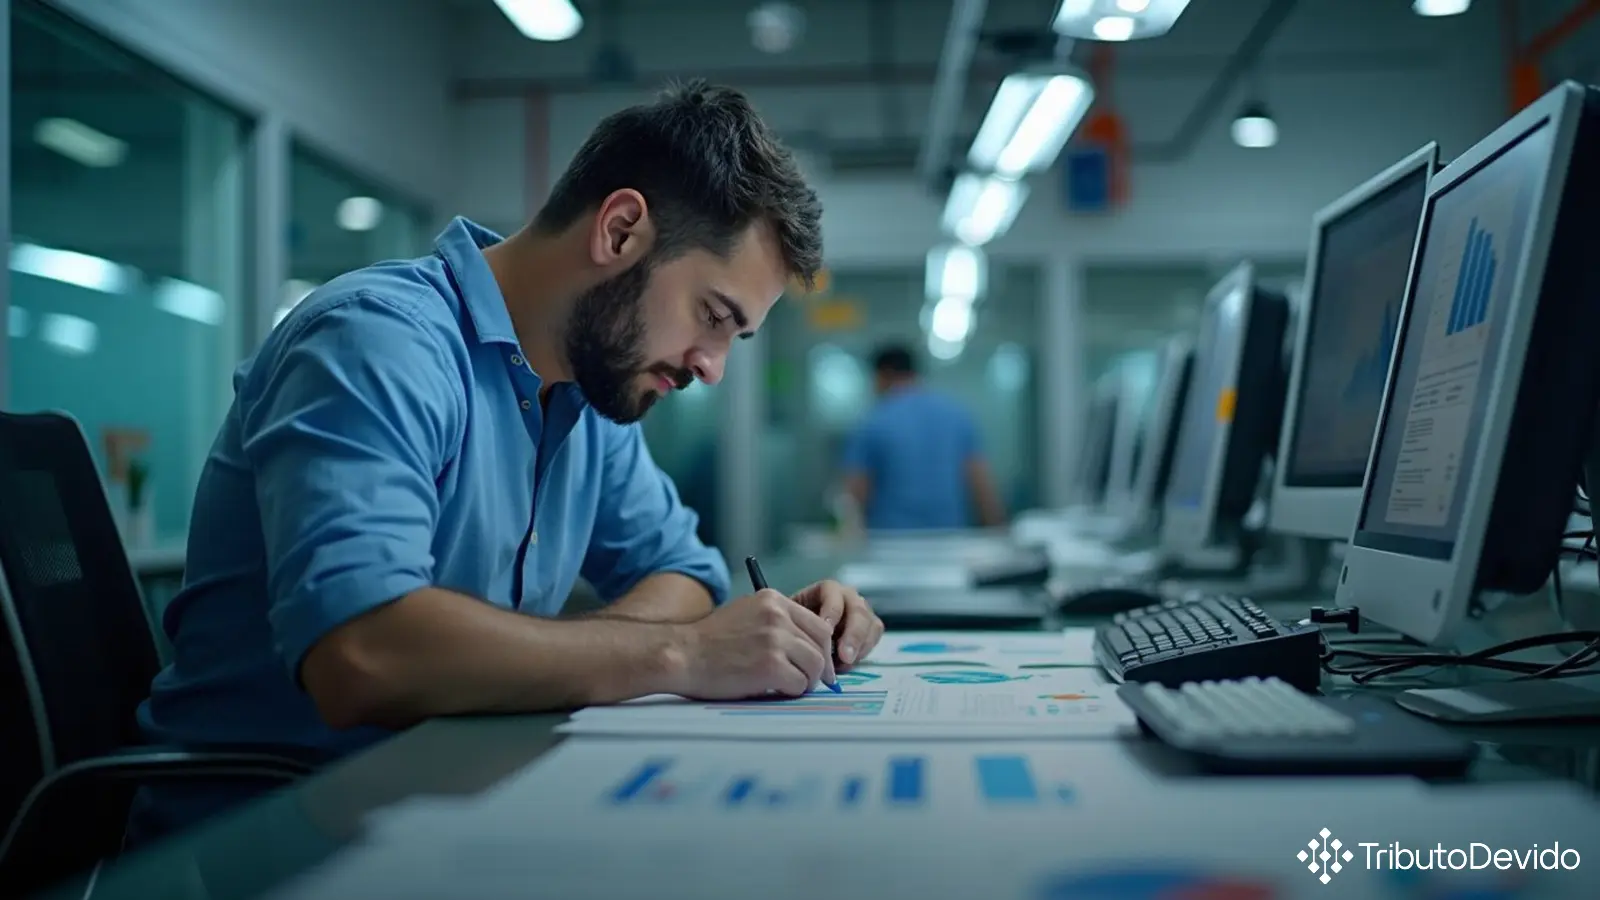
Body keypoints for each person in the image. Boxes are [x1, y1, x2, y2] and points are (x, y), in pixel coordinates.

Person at [132, 81, 883, 838]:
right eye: (712, 316)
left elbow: (685, 575)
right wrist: (680, 654)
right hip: (261, 838)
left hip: (444, 806)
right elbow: (361, 654)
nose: (712, 367)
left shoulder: (590, 396)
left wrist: (662, 646)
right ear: (620, 230)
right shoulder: (377, 341)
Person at [839, 343, 1007, 530]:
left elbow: (856, 493)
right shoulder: (957, 415)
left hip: (890, 539)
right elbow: (981, 483)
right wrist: (997, 531)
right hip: (951, 537)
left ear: (883, 375)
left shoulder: (872, 421)